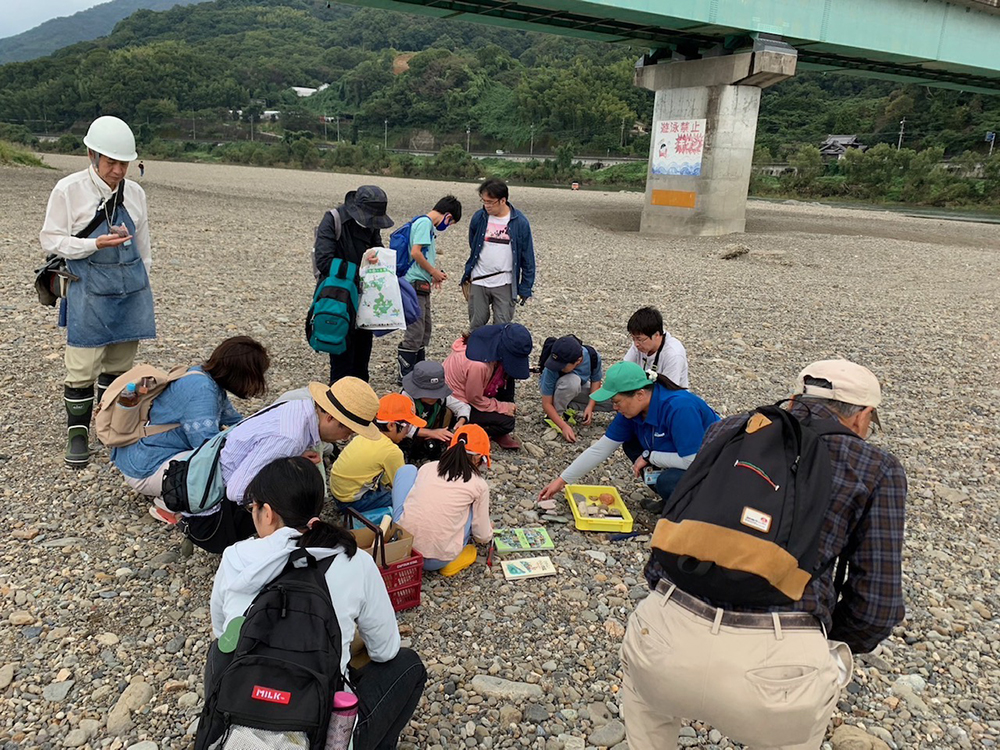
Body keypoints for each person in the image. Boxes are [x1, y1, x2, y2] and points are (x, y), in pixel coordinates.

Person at [619, 359, 907, 750]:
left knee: (645, 708)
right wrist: (819, 638)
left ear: (793, 399)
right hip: (776, 671)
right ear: (864, 416)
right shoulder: (877, 467)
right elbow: (876, 608)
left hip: (665, 638)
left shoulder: (728, 429)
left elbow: (669, 540)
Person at [208, 456, 426, 750]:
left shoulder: (236, 557)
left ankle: (217, 730)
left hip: (242, 719)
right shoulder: (355, 559)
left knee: (219, 652)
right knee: (407, 665)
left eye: (253, 508)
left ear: (268, 513)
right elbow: (385, 651)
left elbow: (224, 636)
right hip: (317, 730)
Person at [40, 115, 154, 468]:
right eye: (111, 162)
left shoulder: (135, 193)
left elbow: (145, 248)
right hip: (87, 288)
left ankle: (111, 428)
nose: (119, 170)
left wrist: (142, 284)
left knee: (120, 367)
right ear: (92, 155)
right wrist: (93, 244)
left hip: (130, 290)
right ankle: (78, 434)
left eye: (125, 163)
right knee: (82, 367)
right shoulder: (68, 189)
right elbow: (51, 238)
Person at [160, 377, 381, 554]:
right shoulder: (290, 438)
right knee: (296, 494)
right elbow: (237, 491)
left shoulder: (299, 406)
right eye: (348, 430)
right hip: (214, 513)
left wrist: (296, 459)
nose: (347, 437)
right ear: (330, 417)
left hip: (209, 473)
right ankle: (255, 550)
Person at [111, 336, 270, 511]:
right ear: (242, 374)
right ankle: (169, 505)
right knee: (219, 467)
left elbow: (236, 422)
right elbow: (206, 448)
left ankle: (168, 491)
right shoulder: (203, 391)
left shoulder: (203, 376)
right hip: (145, 469)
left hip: (140, 457)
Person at [538, 361, 718, 514]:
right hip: (679, 456)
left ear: (639, 394)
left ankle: (698, 510)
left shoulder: (679, 407)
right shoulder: (632, 411)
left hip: (714, 468)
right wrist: (561, 481)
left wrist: (649, 456)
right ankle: (672, 499)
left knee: (667, 481)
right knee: (631, 445)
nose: (615, 408)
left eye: (616, 402)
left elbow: (692, 460)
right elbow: (600, 449)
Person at [314, 185, 393, 383]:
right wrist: (361, 267)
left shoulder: (372, 224)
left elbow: (378, 248)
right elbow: (324, 261)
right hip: (338, 298)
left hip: (365, 297)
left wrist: (377, 256)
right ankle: (338, 406)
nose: (371, 224)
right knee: (341, 359)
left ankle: (359, 404)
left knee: (362, 358)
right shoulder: (333, 219)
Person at [391, 425, 493, 576]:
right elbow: (482, 536)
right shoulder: (478, 484)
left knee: (407, 470)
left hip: (402, 546)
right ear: (478, 456)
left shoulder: (429, 467)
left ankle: (399, 525)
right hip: (437, 560)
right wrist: (489, 529)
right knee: (469, 510)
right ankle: (454, 559)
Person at [397, 195, 463, 380]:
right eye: (450, 223)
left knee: (425, 329)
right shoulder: (425, 223)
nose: (447, 227)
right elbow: (415, 253)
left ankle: (418, 370)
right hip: (413, 285)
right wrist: (433, 271)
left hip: (422, 284)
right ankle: (406, 372)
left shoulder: (426, 226)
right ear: (448, 216)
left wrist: (433, 273)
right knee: (416, 329)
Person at [442, 323, 532, 450]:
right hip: (458, 402)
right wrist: (503, 407)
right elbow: (474, 399)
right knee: (507, 422)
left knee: (509, 373)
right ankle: (472, 430)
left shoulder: (484, 342)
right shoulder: (479, 365)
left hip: (472, 389)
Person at [461, 178, 535, 330]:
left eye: (490, 202)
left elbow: (527, 258)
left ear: (503, 200)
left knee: (502, 327)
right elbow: (473, 244)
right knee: (476, 324)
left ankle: (496, 354)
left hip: (505, 282)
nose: (486, 205)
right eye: (484, 201)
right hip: (479, 279)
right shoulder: (479, 218)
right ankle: (475, 353)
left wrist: (525, 287)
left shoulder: (520, 222)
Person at [329, 393, 424, 512]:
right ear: (391, 425)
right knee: (405, 503)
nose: (407, 432)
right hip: (352, 500)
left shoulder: (365, 434)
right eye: (408, 427)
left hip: (337, 491)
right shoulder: (391, 451)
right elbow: (400, 486)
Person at [539, 335, 611, 444]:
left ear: (578, 360)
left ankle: (568, 407)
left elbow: (596, 381)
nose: (557, 367)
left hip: (577, 388)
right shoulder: (553, 366)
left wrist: (590, 407)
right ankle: (557, 414)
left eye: (562, 366)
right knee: (572, 382)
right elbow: (546, 403)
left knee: (612, 401)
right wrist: (564, 426)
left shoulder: (593, 356)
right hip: (559, 390)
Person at [400, 361, 470, 463]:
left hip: (432, 430)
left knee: (448, 411)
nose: (434, 397)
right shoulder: (405, 397)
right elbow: (401, 425)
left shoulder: (442, 398)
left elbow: (463, 407)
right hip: (409, 436)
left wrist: (461, 421)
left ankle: (437, 448)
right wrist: (432, 433)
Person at [623, 306, 689, 388]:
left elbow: (669, 390)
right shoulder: (640, 343)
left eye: (639, 339)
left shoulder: (673, 354)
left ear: (657, 335)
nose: (636, 344)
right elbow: (625, 370)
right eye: (633, 338)